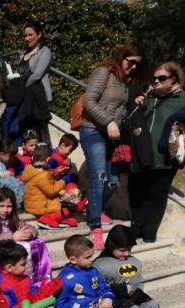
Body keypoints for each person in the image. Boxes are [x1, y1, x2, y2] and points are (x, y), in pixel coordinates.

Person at [80, 43, 147, 248]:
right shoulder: (103, 73)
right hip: (93, 131)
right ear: (121, 57)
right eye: (131, 62)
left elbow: (120, 113)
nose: (134, 67)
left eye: (138, 64)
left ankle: (95, 207)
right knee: (99, 176)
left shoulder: (125, 82)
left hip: (111, 136)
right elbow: (88, 101)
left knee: (112, 181)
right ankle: (95, 226)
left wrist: (133, 104)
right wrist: (108, 121)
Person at [131, 62, 185, 243]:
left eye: (162, 78)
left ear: (175, 80)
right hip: (141, 153)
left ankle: (149, 231)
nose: (156, 81)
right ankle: (135, 228)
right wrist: (135, 105)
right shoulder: (146, 97)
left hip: (166, 156)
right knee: (137, 191)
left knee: (157, 193)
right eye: (154, 78)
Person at [95, 225, 160, 308]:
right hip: (109, 303)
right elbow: (96, 290)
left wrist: (138, 293)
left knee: (152, 305)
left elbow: (139, 281)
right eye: (122, 250)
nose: (127, 253)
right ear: (111, 246)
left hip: (130, 297)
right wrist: (120, 291)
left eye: (130, 249)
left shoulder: (134, 262)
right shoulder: (100, 265)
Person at [0, 188, 51, 287]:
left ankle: (37, 279)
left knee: (38, 243)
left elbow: (32, 229)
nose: (5, 210)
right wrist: (12, 236)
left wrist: (29, 233)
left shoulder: (12, 218)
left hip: (6, 254)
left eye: (9, 206)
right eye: (1, 206)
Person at [0, 22, 52, 144]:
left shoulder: (44, 51)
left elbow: (37, 75)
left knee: (32, 130)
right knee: (14, 124)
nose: (27, 38)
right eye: (25, 36)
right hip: (22, 97)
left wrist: (21, 87)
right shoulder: (23, 54)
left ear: (39, 35)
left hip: (36, 97)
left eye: (30, 35)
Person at [22, 143, 85, 229]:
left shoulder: (31, 170)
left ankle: (63, 219)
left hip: (34, 204)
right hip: (40, 207)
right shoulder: (42, 175)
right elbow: (51, 191)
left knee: (65, 200)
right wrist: (64, 181)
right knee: (68, 204)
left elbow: (46, 185)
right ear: (48, 159)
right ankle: (47, 219)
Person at [0, 139, 26, 207]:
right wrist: (1, 174)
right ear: (1, 154)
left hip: (5, 186)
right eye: (11, 156)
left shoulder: (2, 161)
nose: (12, 158)